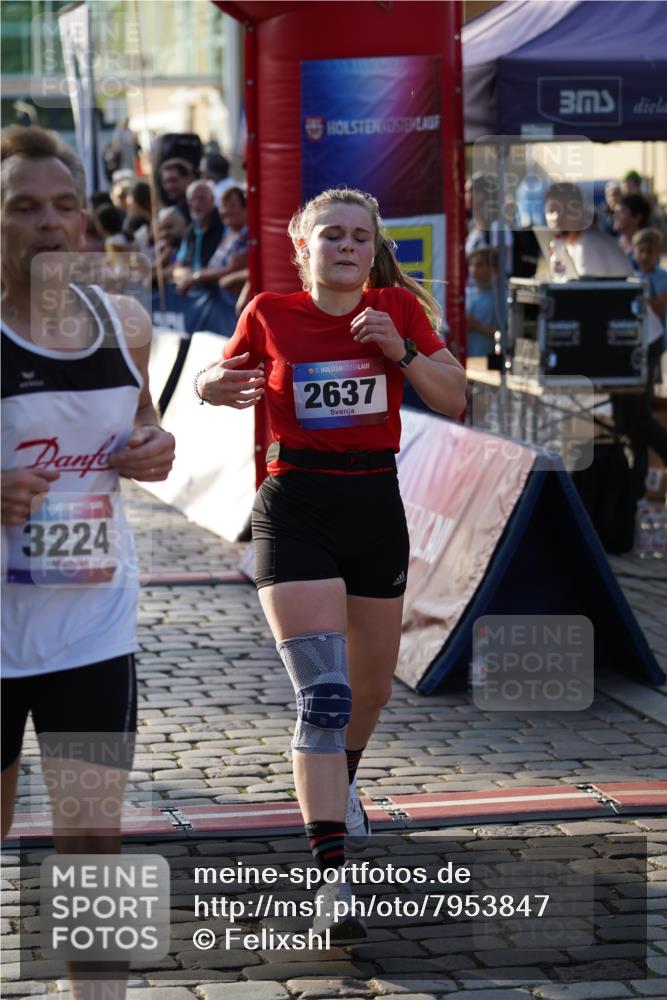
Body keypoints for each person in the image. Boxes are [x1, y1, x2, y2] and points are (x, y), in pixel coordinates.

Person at [195, 187, 466, 940]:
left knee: (371, 692)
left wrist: (400, 351)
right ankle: (332, 876)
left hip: (375, 506)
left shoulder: (396, 313)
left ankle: (335, 785)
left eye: (358, 236)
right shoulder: (270, 313)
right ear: (302, 249)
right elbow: (216, 381)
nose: (345, 246)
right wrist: (207, 385)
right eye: (331, 235)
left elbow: (455, 400)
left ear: (372, 248)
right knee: (325, 696)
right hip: (295, 505)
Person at [1, 125, 175, 998]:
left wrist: (154, 445)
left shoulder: (124, 320)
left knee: (95, 846)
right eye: (24, 207)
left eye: (64, 205)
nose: (50, 223)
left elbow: (143, 425)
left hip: (90, 633)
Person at [611, 227, 667, 500]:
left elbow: (656, 309)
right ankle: (638, 485)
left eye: (649, 251)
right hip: (631, 346)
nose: (644, 256)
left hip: (650, 346)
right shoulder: (631, 272)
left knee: (640, 413)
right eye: (640, 251)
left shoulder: (659, 278)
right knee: (634, 419)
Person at [543, 182, 633, 278]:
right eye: (551, 211)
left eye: (567, 210)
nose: (557, 218)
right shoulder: (568, 244)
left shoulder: (589, 243)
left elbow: (584, 291)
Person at [174, 185, 248, 299]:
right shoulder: (231, 233)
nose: (226, 211)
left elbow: (231, 269)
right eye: (224, 206)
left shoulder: (243, 234)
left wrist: (196, 277)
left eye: (232, 206)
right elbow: (178, 266)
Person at [172, 180, 224, 292]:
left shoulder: (223, 226)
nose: (196, 204)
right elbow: (177, 267)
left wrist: (196, 277)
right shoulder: (190, 230)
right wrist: (185, 274)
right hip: (192, 289)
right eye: (192, 199)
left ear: (212, 200)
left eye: (201, 198)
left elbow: (227, 267)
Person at [465, 246, 500, 358]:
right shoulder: (464, 294)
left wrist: (478, 327)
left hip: (487, 362)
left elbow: (507, 338)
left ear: (493, 268)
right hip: (464, 360)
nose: (473, 269)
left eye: (479, 265)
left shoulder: (501, 298)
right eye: (471, 265)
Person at [613, 193, 651, 260]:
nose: (615, 216)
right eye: (615, 212)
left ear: (637, 218)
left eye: (620, 212)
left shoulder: (648, 251)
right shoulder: (612, 244)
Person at [158, 158, 194, 223]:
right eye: (165, 182)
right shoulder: (174, 208)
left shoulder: (196, 206)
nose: (169, 186)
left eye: (173, 180)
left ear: (188, 179)